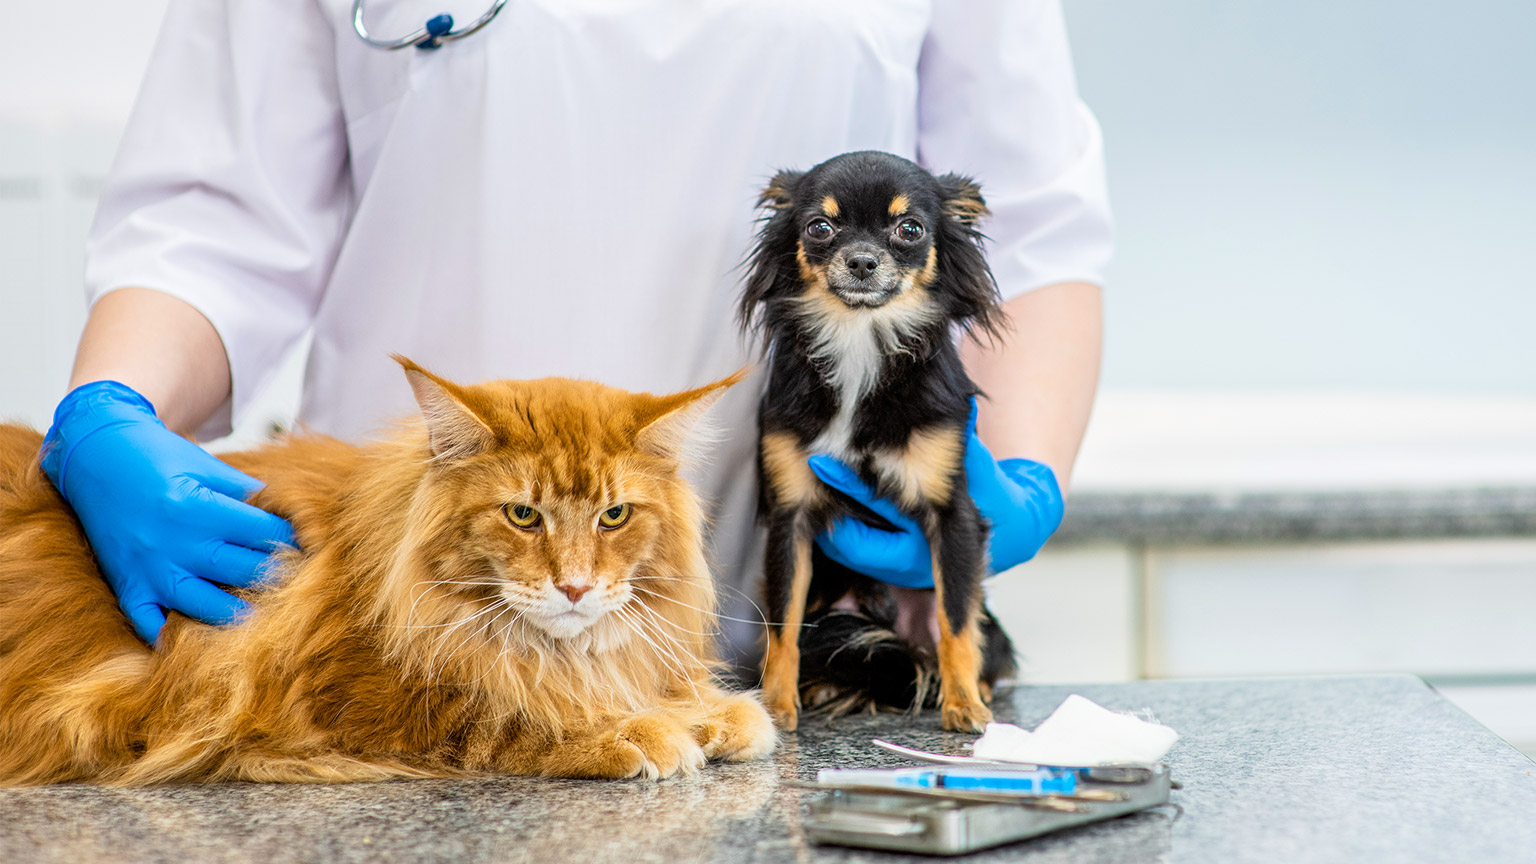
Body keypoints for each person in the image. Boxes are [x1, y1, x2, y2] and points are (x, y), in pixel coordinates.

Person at [42, 0, 1111, 664]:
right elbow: (212, 222)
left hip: (784, 641)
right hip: (407, 642)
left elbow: (1023, 227)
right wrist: (111, 408)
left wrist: (1019, 480)